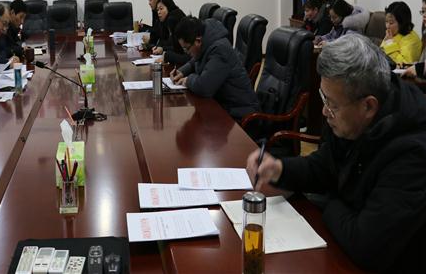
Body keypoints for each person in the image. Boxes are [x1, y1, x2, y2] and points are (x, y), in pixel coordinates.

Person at [246, 34, 426, 272]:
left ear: (368, 106)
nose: (324, 111)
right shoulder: (351, 116)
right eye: (324, 98)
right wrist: (280, 169)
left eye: (331, 104)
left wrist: (329, 200)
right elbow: (326, 166)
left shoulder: (413, 152)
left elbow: (367, 246)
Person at [170, 16, 258, 121]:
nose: (187, 53)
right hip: (223, 106)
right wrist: (182, 72)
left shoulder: (220, 50)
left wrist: (188, 80)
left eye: (186, 49)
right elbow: (197, 59)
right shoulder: (206, 40)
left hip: (239, 114)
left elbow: (204, 87)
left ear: (198, 41)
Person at [151, 0, 188, 66]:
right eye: (157, 10)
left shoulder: (174, 19)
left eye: (161, 9)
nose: (158, 12)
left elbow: (184, 54)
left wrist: (167, 56)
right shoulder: (166, 22)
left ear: (169, 7)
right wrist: (162, 48)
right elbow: (171, 45)